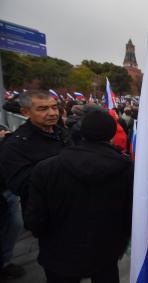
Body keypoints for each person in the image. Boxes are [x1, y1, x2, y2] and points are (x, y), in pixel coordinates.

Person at [25, 110, 133, 283]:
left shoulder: (45, 168)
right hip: (107, 249)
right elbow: (130, 214)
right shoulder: (128, 169)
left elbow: (35, 219)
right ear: (113, 134)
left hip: (58, 250)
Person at [0, 90, 71, 279]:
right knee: (59, 268)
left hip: (75, 210)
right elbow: (21, 185)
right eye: (43, 109)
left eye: (54, 107)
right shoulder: (15, 145)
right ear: (25, 112)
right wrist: (64, 169)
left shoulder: (62, 133)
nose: (52, 113)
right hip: (48, 217)